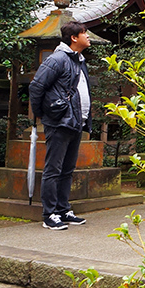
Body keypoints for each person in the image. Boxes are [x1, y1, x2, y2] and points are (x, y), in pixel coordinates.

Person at [28, 20, 92, 230]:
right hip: (60, 121)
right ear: (74, 38)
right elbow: (37, 86)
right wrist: (44, 113)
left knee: (67, 169)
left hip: (75, 122)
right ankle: (50, 213)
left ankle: (63, 209)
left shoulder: (78, 60)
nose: (88, 36)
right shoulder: (57, 59)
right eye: (85, 33)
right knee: (53, 169)